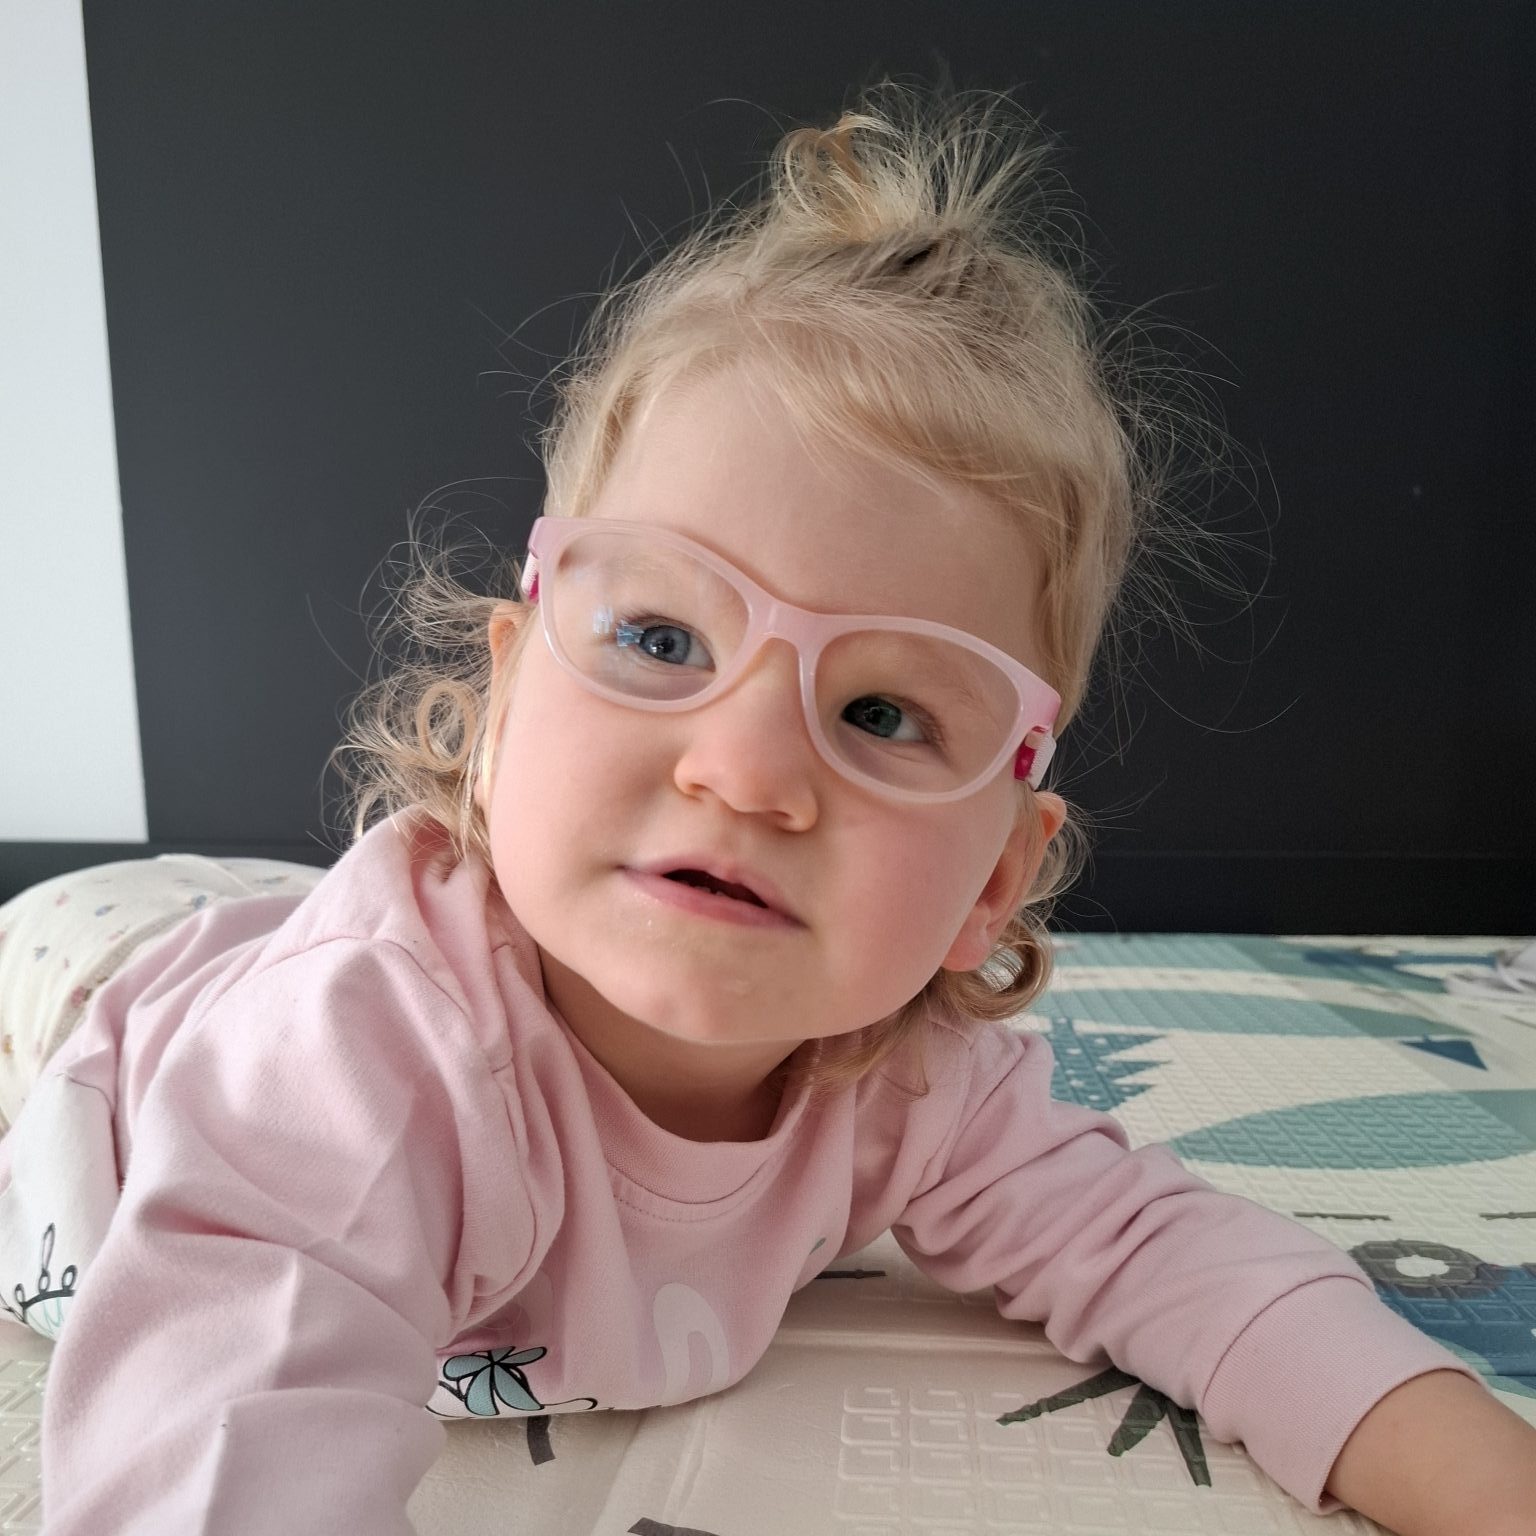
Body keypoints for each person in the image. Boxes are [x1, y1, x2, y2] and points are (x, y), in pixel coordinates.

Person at [0, 80, 1530, 1536]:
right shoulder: (362, 1061)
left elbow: (1172, 1259)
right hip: (99, 998)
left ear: (995, 880)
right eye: (662, 638)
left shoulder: (907, 1085)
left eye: (882, 714)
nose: (741, 772)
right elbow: (214, 1434)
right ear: (509, 694)